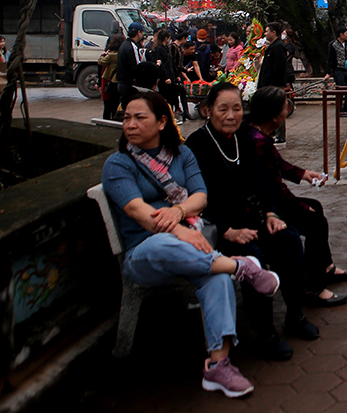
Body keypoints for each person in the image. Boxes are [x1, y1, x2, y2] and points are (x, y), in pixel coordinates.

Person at [101, 91, 281, 397]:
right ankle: (241, 267)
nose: (130, 124)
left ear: (161, 122)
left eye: (138, 117)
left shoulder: (182, 154)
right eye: (126, 118)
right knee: (165, 245)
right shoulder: (118, 164)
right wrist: (179, 230)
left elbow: (200, 196)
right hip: (146, 253)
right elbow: (137, 211)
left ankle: (218, 365)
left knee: (217, 276)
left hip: (194, 244)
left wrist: (180, 211)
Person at [186, 84, 325, 358]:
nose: (230, 115)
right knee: (253, 257)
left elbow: (262, 182)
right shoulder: (197, 145)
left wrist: (272, 214)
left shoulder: (243, 139)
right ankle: (266, 334)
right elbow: (197, 196)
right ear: (207, 110)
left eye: (236, 108)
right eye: (222, 109)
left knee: (289, 240)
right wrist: (228, 231)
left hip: (252, 219)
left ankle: (295, 316)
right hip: (218, 229)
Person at [246, 86, 347, 298]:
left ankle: (326, 266)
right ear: (274, 116)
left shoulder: (256, 134)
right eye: (285, 107)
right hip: (262, 207)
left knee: (315, 206)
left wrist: (304, 174)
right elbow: (275, 187)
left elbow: (277, 165)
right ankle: (312, 286)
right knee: (315, 222)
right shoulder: (259, 142)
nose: (288, 110)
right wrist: (299, 207)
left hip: (266, 200)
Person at [117, 23, 147, 112]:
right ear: (138, 32)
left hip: (122, 82)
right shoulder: (132, 46)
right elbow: (136, 66)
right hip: (128, 83)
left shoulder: (124, 45)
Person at [98, 34, 125, 121]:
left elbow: (101, 62)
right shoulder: (122, 53)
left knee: (107, 106)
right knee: (115, 105)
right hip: (119, 81)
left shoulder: (111, 55)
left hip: (110, 81)